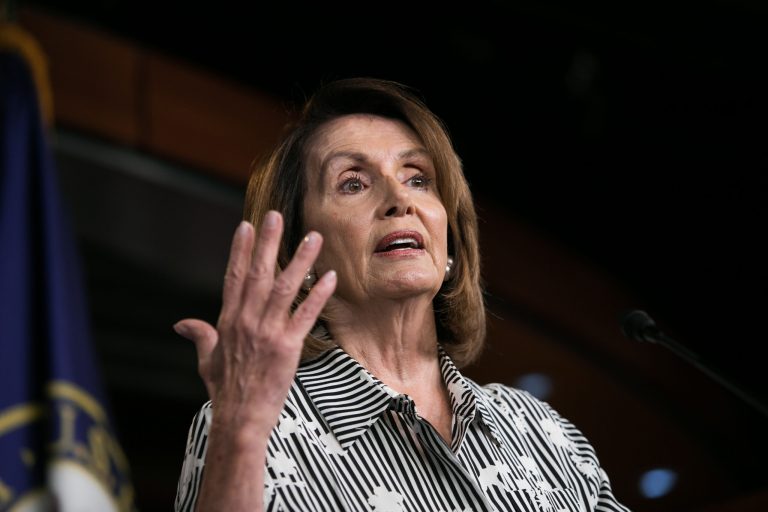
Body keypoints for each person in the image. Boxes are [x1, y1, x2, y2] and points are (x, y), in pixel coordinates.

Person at [172, 77, 631, 512]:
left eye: (418, 178)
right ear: (299, 253)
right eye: (353, 182)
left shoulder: (540, 431)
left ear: (448, 236)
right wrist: (241, 436)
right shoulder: (250, 429)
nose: (399, 199)